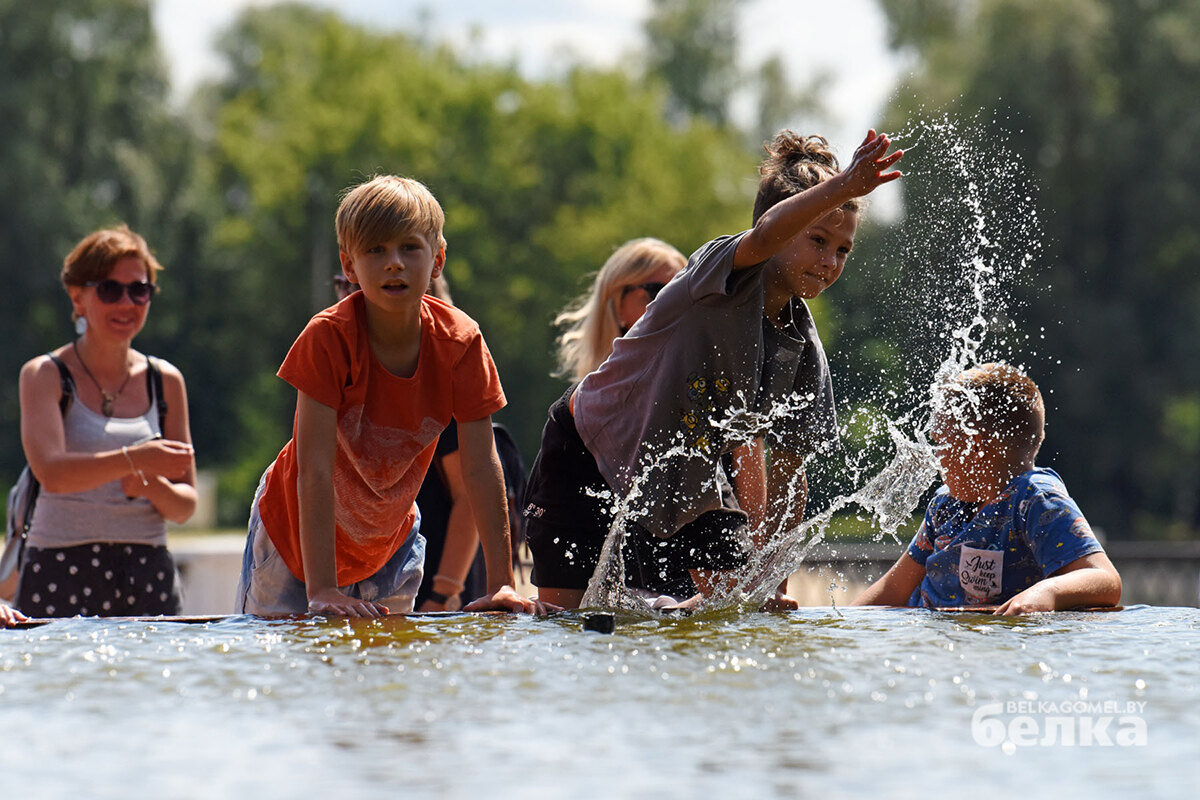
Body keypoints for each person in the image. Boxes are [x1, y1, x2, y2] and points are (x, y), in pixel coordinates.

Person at [523, 130, 903, 610]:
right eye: (817, 240)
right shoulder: (715, 273)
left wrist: (773, 588)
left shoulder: (801, 350)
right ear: (782, 228)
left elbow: (789, 478)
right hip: (585, 451)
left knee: (725, 617)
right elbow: (764, 235)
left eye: (843, 250)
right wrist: (844, 186)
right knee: (570, 626)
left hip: (686, 478)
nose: (829, 262)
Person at [235, 175, 539, 618]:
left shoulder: (461, 343)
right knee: (288, 673)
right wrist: (322, 590)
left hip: (385, 543)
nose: (393, 263)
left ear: (437, 260)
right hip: (293, 538)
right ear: (350, 265)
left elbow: (481, 465)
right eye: (375, 250)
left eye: (409, 248)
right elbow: (314, 468)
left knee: (391, 676)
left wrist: (502, 584)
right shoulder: (329, 338)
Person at [6, 225, 196, 625]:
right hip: (59, 565)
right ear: (77, 297)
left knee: (153, 686)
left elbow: (185, 505)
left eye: (139, 290)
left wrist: (154, 486)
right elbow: (52, 474)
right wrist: (135, 459)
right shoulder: (45, 375)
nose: (126, 302)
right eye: (110, 290)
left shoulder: (166, 381)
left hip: (148, 569)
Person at [853, 363, 1122, 614]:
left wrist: (1045, 593)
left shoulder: (1034, 499)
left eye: (942, 443)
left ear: (975, 447)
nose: (937, 457)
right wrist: (844, 626)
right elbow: (893, 589)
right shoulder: (946, 506)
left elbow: (1105, 579)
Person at [554, 238, 687, 383]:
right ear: (617, 306)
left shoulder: (704, 380)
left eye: (682, 294)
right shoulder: (588, 400)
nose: (673, 305)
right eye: (658, 293)